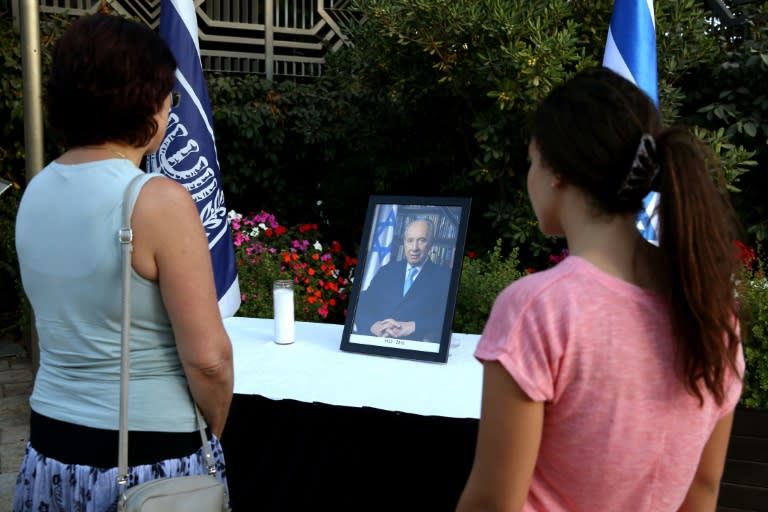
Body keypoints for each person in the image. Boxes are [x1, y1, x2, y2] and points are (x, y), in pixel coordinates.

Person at [456, 67, 744, 512]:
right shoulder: (714, 314)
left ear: (555, 171)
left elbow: (494, 503)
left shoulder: (538, 308)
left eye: (532, 160)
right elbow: (704, 487)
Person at [13, 14, 233, 511]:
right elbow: (209, 359)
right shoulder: (156, 200)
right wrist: (209, 432)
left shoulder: (36, 192)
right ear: (148, 105)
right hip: (148, 463)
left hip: (50, 451)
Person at [354, 218, 451, 342]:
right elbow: (362, 302)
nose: (414, 247)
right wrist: (372, 326)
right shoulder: (386, 270)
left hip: (416, 345)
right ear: (404, 242)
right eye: (410, 241)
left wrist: (415, 326)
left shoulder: (443, 277)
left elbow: (445, 317)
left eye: (421, 240)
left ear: (431, 244)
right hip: (377, 341)